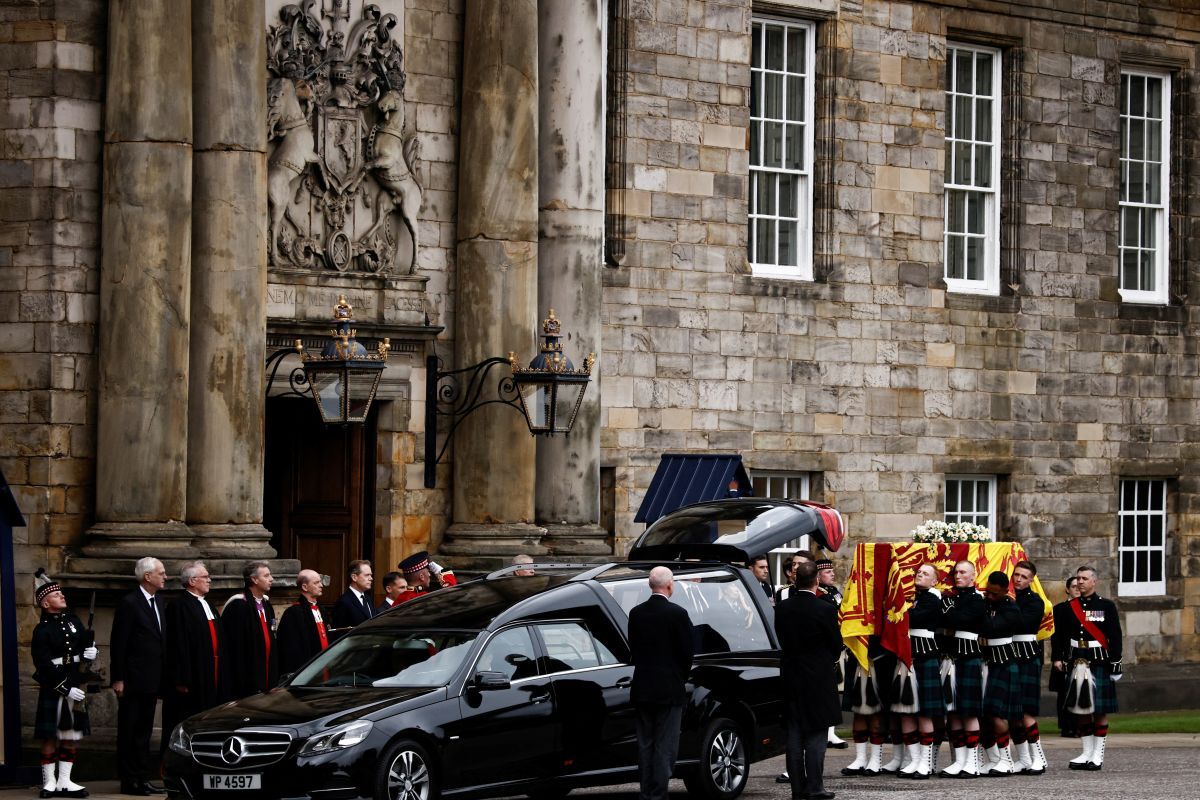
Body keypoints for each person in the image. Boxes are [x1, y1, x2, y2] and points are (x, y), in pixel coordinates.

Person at [775, 560, 840, 800]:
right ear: (815, 581)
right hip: (817, 677)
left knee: (794, 736)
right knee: (815, 735)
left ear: (795, 579)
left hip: (791, 674)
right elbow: (836, 645)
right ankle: (815, 787)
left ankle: (798, 788)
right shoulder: (824, 608)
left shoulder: (782, 608)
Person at [31, 572, 98, 799]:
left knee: (70, 735)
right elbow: (42, 664)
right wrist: (63, 687)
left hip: (75, 682)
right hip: (56, 684)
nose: (62, 597)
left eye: (61, 594)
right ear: (46, 603)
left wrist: (91, 652)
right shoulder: (42, 629)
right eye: (57, 595)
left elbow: (82, 649)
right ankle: (49, 782)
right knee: (50, 736)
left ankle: (65, 781)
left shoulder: (74, 621)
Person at [628, 566, 693, 800]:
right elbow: (687, 653)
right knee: (665, 746)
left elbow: (633, 648)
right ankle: (658, 793)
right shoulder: (678, 614)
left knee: (645, 745)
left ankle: (647, 793)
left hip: (643, 686)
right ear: (669, 585)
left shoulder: (636, 613)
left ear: (649, 585)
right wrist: (679, 678)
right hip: (669, 688)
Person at [110, 557, 168, 796]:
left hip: (152, 679)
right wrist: (119, 678)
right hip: (133, 680)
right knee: (129, 730)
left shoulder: (159, 602)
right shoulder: (130, 603)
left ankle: (142, 777)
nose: (165, 576)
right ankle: (129, 779)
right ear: (147, 576)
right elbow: (119, 643)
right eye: (161, 573)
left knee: (144, 731)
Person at [1056, 566, 1122, 771]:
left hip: (1099, 661)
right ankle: (1086, 752)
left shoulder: (1107, 606)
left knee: (1099, 710)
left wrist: (1115, 664)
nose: (1080, 582)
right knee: (1081, 709)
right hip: (1078, 661)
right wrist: (1058, 658)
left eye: (1084, 578)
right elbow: (1059, 637)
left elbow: (1115, 636)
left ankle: (1097, 755)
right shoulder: (1066, 608)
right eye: (1078, 578)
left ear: (1094, 581)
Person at [163, 562, 226, 747]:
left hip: (212, 672)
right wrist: (182, 678)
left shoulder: (208, 604)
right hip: (194, 676)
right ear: (192, 581)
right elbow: (178, 645)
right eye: (205, 577)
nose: (209, 580)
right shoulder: (179, 606)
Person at [938, 560, 986, 777]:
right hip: (951, 658)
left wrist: (948, 614)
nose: (958, 576)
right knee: (953, 711)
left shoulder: (977, 599)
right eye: (956, 572)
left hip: (968, 658)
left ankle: (973, 762)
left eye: (963, 572)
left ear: (973, 576)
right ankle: (960, 761)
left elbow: (961, 619)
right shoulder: (952, 598)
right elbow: (942, 623)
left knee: (969, 710)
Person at [897, 563, 943, 778]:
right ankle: (914, 760)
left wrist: (903, 612)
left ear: (934, 581)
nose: (920, 575)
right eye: (919, 572)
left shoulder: (933, 599)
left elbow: (913, 618)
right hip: (907, 658)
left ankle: (924, 762)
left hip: (925, 657)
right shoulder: (911, 597)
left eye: (926, 574)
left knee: (925, 711)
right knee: (906, 710)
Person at [978, 571, 1021, 775]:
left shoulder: (1011, 608)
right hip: (985, 662)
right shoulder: (987, 603)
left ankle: (1006, 760)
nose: (990, 596)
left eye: (995, 594)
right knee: (983, 715)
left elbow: (992, 628)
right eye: (988, 592)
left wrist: (977, 612)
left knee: (997, 714)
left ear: (1005, 591)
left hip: (1002, 662)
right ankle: (993, 759)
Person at [1010, 560, 1049, 773]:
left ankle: (1039, 758)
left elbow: (1021, 623)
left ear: (1031, 580)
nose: (1018, 579)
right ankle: (1024, 759)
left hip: (1027, 657)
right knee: (1012, 713)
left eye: (1023, 576)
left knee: (1025, 711)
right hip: (1010, 656)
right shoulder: (1008, 599)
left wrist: (1008, 606)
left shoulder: (1035, 601)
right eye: (1016, 574)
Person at [221, 561, 278, 699]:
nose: (271, 579)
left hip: (267, 671)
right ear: (254, 579)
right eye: (266, 575)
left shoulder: (266, 604)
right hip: (246, 675)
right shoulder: (238, 605)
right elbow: (234, 647)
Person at [815, 559, 849, 751]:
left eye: (832, 571)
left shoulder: (834, 592)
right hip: (826, 647)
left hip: (838, 645)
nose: (832, 574)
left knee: (834, 690)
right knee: (826, 690)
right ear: (818, 576)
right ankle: (825, 731)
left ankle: (830, 731)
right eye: (828, 572)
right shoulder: (819, 594)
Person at [277, 569, 333, 675]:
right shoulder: (293, 613)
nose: (321, 585)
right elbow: (291, 649)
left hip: (325, 667)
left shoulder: (322, 610)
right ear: (304, 587)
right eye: (316, 583)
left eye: (320, 582)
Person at [1050, 575, 1082, 737]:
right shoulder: (1060, 609)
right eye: (1074, 586)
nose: (1077, 589)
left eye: (1079, 586)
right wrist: (1057, 658)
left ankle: (1079, 726)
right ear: (1067, 589)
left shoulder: (1088, 608)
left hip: (1082, 656)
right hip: (1065, 656)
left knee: (1082, 692)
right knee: (1065, 693)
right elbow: (1056, 637)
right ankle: (1066, 726)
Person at [332, 560, 375, 630]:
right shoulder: (343, 601)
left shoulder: (368, 598)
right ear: (354, 577)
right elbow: (340, 632)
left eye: (371, 575)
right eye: (367, 575)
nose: (371, 578)